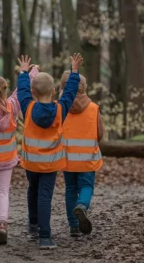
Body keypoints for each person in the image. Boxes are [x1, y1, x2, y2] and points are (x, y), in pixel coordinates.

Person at [17, 54, 82, 249]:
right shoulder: (60, 110)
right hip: (50, 164)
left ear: (33, 92)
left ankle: (33, 226)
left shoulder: (28, 107)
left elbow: (21, 91)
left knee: (32, 190)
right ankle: (45, 237)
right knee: (45, 195)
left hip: (31, 163)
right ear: (54, 91)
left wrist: (23, 72)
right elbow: (70, 92)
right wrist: (74, 72)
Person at [0, 67, 38, 245]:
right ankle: (3, 224)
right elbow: (21, 91)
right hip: (6, 157)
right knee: (3, 191)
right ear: (4, 89)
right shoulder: (12, 105)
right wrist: (29, 72)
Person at [60, 72, 104, 237]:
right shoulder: (93, 108)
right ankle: (82, 205)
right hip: (87, 157)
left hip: (68, 157)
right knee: (86, 186)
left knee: (70, 188)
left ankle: (73, 226)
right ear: (85, 88)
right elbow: (100, 133)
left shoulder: (62, 107)